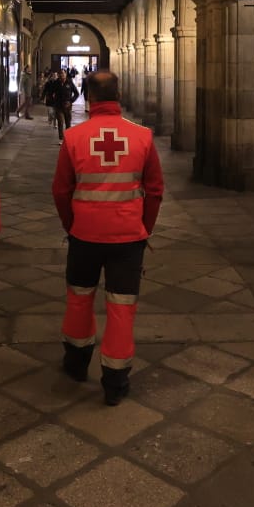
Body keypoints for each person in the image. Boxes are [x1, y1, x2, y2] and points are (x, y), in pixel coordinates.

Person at [52, 70, 164, 405]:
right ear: (119, 95)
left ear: (89, 97)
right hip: (128, 238)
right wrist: (144, 227)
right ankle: (115, 381)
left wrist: (72, 225)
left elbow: (60, 190)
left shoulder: (74, 137)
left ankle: (76, 363)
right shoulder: (142, 136)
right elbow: (155, 190)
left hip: (84, 235)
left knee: (79, 297)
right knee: (121, 306)